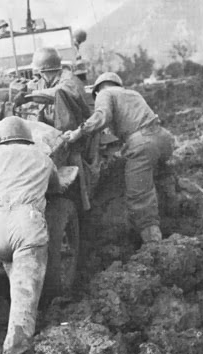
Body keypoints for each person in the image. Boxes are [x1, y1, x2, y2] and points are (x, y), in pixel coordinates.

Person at [0, 116, 61, 354]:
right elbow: (55, 187)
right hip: (25, 224)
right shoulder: (42, 157)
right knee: (26, 291)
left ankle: (14, 301)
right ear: (27, 137)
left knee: (14, 269)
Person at [63, 72, 176, 243]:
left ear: (97, 90)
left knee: (139, 195)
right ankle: (173, 207)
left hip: (143, 143)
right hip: (164, 139)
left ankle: (155, 243)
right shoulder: (132, 93)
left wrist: (78, 132)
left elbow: (102, 116)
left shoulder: (105, 94)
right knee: (156, 174)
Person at [16, 47, 91, 132]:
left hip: (77, 131)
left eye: (39, 71)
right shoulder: (43, 83)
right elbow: (33, 106)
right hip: (54, 130)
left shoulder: (69, 79)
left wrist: (30, 96)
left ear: (42, 70)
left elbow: (58, 92)